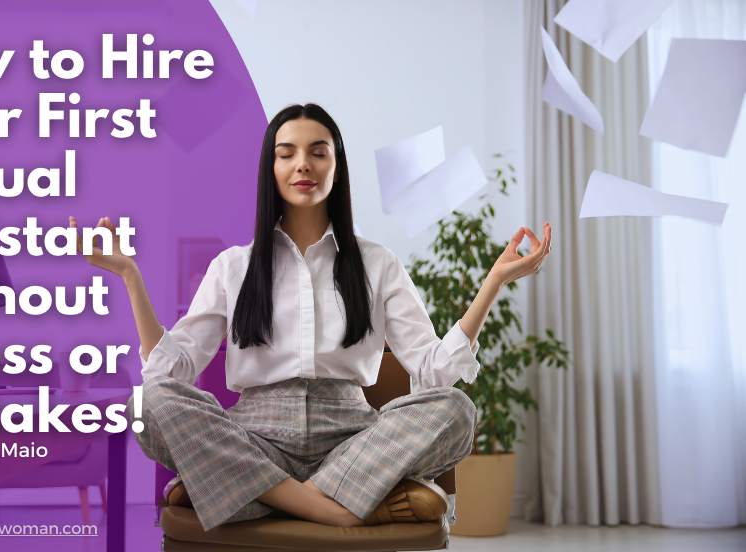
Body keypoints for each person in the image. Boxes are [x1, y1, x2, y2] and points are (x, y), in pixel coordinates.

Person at [69, 103, 552, 532]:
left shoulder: (378, 262)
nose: (303, 163)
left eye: (319, 152)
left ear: (336, 167)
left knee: (456, 411)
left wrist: (494, 284)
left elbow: (435, 373)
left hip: (352, 441)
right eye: (287, 153)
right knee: (149, 400)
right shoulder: (233, 266)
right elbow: (171, 374)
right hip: (253, 439)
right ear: (271, 168)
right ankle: (335, 507)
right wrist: (130, 276)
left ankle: (249, 496)